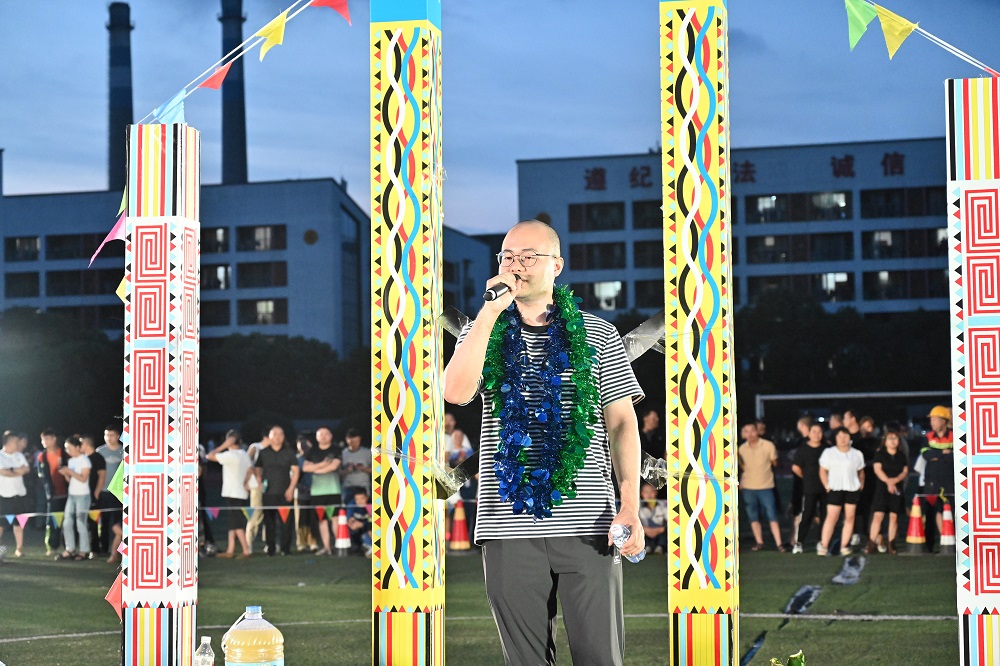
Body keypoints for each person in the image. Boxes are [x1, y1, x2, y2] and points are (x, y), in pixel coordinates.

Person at [443, 220, 644, 665]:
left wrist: (629, 504)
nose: (516, 265)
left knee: (600, 657)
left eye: (528, 256)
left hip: (588, 524)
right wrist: (489, 313)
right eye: (507, 256)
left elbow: (622, 425)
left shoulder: (597, 333)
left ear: (557, 265)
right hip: (506, 526)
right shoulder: (482, 330)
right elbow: (454, 392)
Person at [737, 422, 786, 552]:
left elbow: (774, 462)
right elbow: (743, 466)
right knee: (753, 515)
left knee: (772, 514)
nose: (750, 434)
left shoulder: (768, 445)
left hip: (766, 486)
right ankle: (759, 542)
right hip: (749, 487)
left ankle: (779, 543)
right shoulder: (741, 449)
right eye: (746, 431)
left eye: (752, 430)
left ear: (757, 431)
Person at [818, 427, 865, 556]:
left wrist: (861, 485)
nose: (843, 439)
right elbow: (822, 470)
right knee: (832, 517)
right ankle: (824, 545)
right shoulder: (829, 452)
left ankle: (844, 546)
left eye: (845, 436)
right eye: (840, 436)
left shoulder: (857, 454)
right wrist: (826, 485)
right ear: (835, 438)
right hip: (835, 488)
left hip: (852, 489)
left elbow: (861, 472)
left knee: (850, 517)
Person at [253, 425, 299, 556]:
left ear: (284, 437)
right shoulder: (263, 452)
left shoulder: (289, 453)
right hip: (268, 493)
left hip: (285, 493)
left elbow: (296, 471)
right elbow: (257, 468)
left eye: (281, 434)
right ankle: (270, 548)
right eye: (275, 434)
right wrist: (259, 482)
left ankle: (285, 549)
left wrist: (291, 488)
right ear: (269, 437)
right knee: (269, 523)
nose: (278, 437)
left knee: (286, 522)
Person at [206, 430, 253, 559]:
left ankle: (246, 550)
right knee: (233, 522)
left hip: (233, 492)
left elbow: (209, 456)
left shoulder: (230, 455)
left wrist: (223, 446)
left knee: (237, 523)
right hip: (241, 492)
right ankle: (230, 549)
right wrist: (246, 482)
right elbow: (250, 469)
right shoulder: (244, 454)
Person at [913, 405, 954, 552]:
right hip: (932, 480)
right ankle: (929, 545)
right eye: (931, 420)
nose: (932, 423)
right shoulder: (928, 437)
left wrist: (937, 455)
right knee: (930, 511)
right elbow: (926, 454)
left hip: (950, 479)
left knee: (954, 510)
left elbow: (956, 456)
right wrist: (943, 453)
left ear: (944, 421)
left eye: (935, 419)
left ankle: (955, 543)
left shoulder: (955, 436)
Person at [866, 431, 908, 555]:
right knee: (878, 515)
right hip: (882, 488)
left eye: (895, 438)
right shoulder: (880, 454)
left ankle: (891, 543)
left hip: (897, 487)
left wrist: (895, 480)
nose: (893, 441)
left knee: (894, 516)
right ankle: (872, 543)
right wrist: (888, 481)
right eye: (890, 438)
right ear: (885, 441)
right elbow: (877, 469)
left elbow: (905, 471)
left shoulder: (901, 455)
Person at [302, 426, 342, 556]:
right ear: (317, 437)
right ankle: (327, 548)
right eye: (320, 434)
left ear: (331, 436)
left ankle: (339, 546)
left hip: (333, 489)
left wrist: (315, 469)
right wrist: (323, 464)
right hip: (317, 491)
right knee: (322, 520)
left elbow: (333, 466)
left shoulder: (336, 449)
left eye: (326, 434)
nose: (323, 436)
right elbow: (305, 468)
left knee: (335, 518)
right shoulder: (311, 451)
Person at [790, 422, 827, 554]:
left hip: (826, 487)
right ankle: (799, 542)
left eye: (819, 432)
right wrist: (805, 478)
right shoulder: (803, 449)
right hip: (810, 488)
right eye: (814, 432)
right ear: (809, 434)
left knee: (825, 515)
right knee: (807, 514)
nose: (817, 434)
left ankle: (821, 541)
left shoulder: (826, 448)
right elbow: (795, 467)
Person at [58, 436, 92, 561]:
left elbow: (83, 479)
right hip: (71, 494)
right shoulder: (71, 461)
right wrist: (66, 474)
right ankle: (70, 549)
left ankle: (84, 551)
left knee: (81, 523)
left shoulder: (85, 460)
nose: (68, 451)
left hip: (83, 495)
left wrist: (70, 472)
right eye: (66, 448)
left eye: (70, 448)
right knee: (67, 522)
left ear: (78, 447)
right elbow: (71, 480)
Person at [36, 427, 69, 556]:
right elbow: (41, 474)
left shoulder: (65, 453)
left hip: (67, 493)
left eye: (46, 439)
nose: (44, 442)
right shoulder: (41, 456)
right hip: (52, 494)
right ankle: (52, 547)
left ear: (54, 439)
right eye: (42, 440)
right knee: (52, 521)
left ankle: (68, 547)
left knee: (67, 521)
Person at [0, 431, 31, 560]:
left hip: (20, 494)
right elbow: (3, 472)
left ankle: (19, 549)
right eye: (15, 442)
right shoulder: (1, 456)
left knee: (19, 523)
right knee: (1, 524)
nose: (18, 444)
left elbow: (26, 469)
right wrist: (17, 471)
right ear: (7, 443)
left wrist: (12, 471)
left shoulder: (19, 455)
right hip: (4, 495)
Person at [96, 425, 124, 557]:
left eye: (111, 435)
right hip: (103, 491)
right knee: (104, 521)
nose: (108, 438)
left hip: (119, 492)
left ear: (118, 436)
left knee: (118, 522)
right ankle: (103, 548)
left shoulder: (124, 450)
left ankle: (119, 550)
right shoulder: (99, 451)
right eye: (106, 435)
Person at [80, 435, 106, 556]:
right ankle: (85, 548)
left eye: (80, 444)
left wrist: (97, 492)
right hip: (83, 494)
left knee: (93, 522)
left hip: (93, 495)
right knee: (84, 522)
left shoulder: (97, 458)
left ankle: (94, 549)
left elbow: (102, 475)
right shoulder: (83, 458)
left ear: (86, 444)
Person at [339, 428, 372, 501]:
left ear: (360, 439)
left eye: (356, 441)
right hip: (347, 487)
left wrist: (362, 468)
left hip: (363, 487)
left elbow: (376, 470)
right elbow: (337, 472)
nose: (354, 444)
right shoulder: (342, 453)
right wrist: (347, 470)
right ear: (347, 439)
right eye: (352, 441)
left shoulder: (367, 453)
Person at [638, 482, 668, 554]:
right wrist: (646, 530)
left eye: (651, 492)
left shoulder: (663, 505)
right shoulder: (638, 507)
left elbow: (668, 521)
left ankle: (660, 547)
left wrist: (660, 529)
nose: (649, 495)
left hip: (660, 531)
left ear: (656, 492)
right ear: (641, 493)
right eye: (646, 492)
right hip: (644, 532)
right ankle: (646, 547)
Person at [346, 489, 372, 557]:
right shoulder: (352, 505)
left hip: (369, 530)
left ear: (367, 498)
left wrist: (362, 524)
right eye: (357, 499)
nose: (359, 502)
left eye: (362, 499)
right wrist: (351, 522)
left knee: (367, 533)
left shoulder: (372, 505)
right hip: (356, 531)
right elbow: (349, 518)